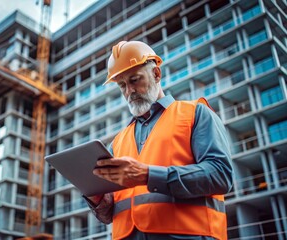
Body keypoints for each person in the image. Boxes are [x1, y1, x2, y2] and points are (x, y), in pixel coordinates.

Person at [84, 40, 233, 240]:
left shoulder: (195, 114)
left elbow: (220, 175)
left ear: (156, 74)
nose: (129, 91)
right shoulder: (117, 143)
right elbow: (109, 215)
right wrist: (97, 200)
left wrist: (148, 175)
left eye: (135, 80)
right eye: (122, 86)